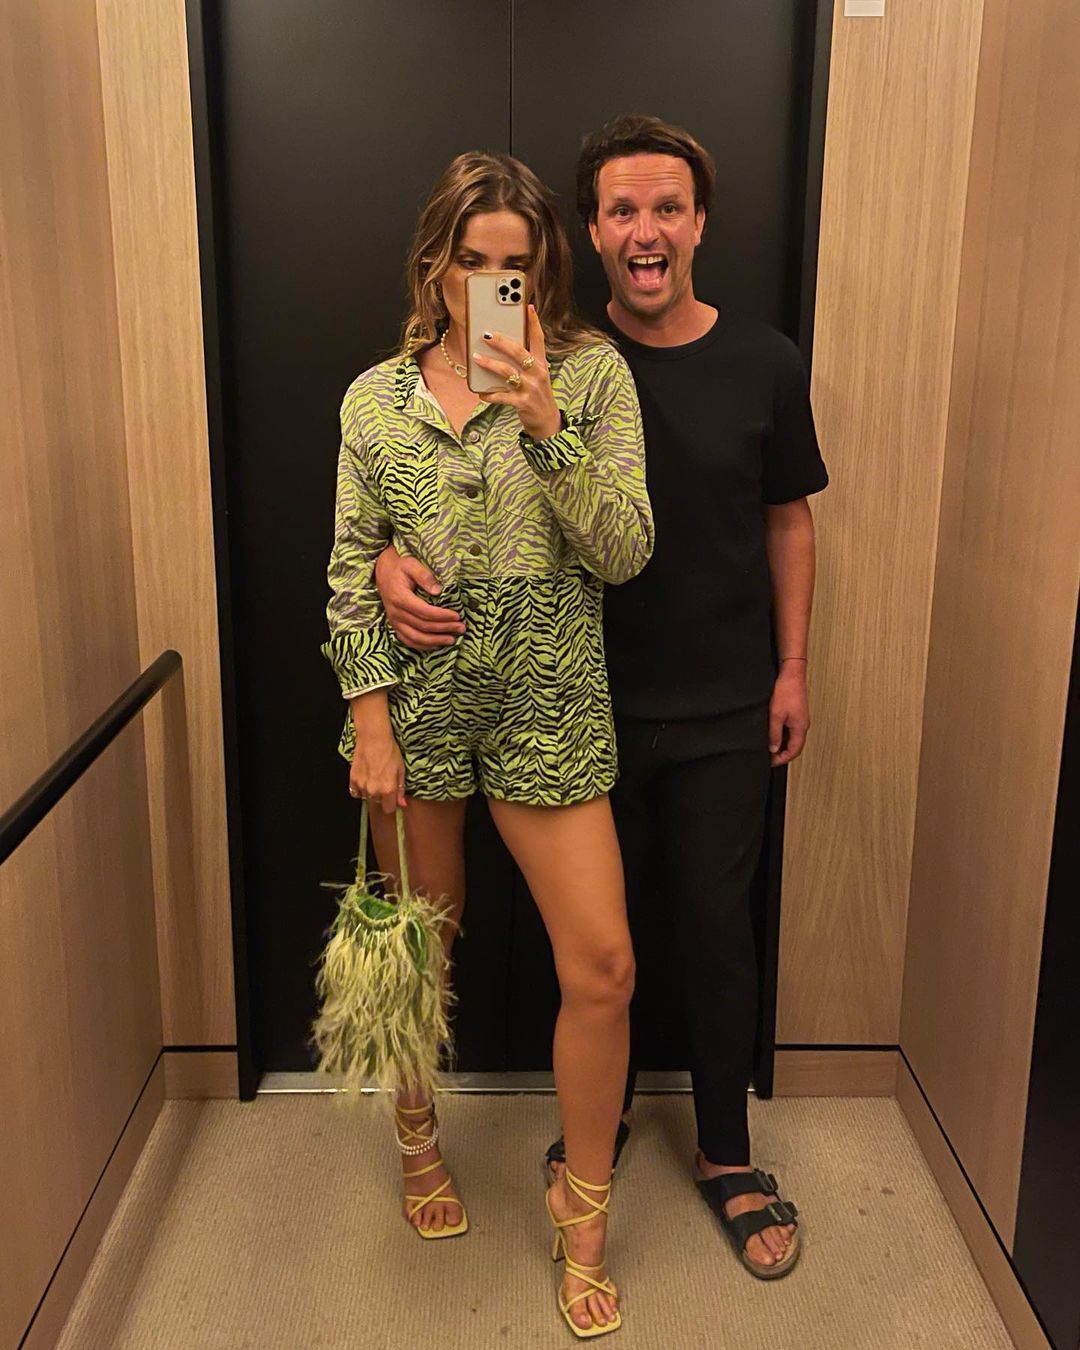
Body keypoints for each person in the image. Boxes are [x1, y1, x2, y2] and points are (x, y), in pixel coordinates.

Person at [374, 116, 828, 1282]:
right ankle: (567, 1133)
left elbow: (757, 524)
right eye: (624, 209)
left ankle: (708, 1161)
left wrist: (792, 666)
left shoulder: (715, 366)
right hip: (546, 700)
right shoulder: (477, 374)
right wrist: (379, 571)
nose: (646, 229)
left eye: (668, 207)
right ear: (592, 231)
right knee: (534, 948)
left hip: (689, 698)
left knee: (695, 936)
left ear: (699, 222)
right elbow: (401, 521)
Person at [322, 151, 653, 1337]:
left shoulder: (593, 377)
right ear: (437, 264)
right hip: (417, 704)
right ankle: (419, 1140)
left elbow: (625, 551)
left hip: (549, 697)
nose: (493, 286)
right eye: (473, 262)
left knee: (603, 967)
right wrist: (369, 718)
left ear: (543, 268)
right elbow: (348, 568)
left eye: (515, 264)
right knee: (425, 949)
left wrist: (549, 426)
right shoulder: (375, 400)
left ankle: (583, 1213)